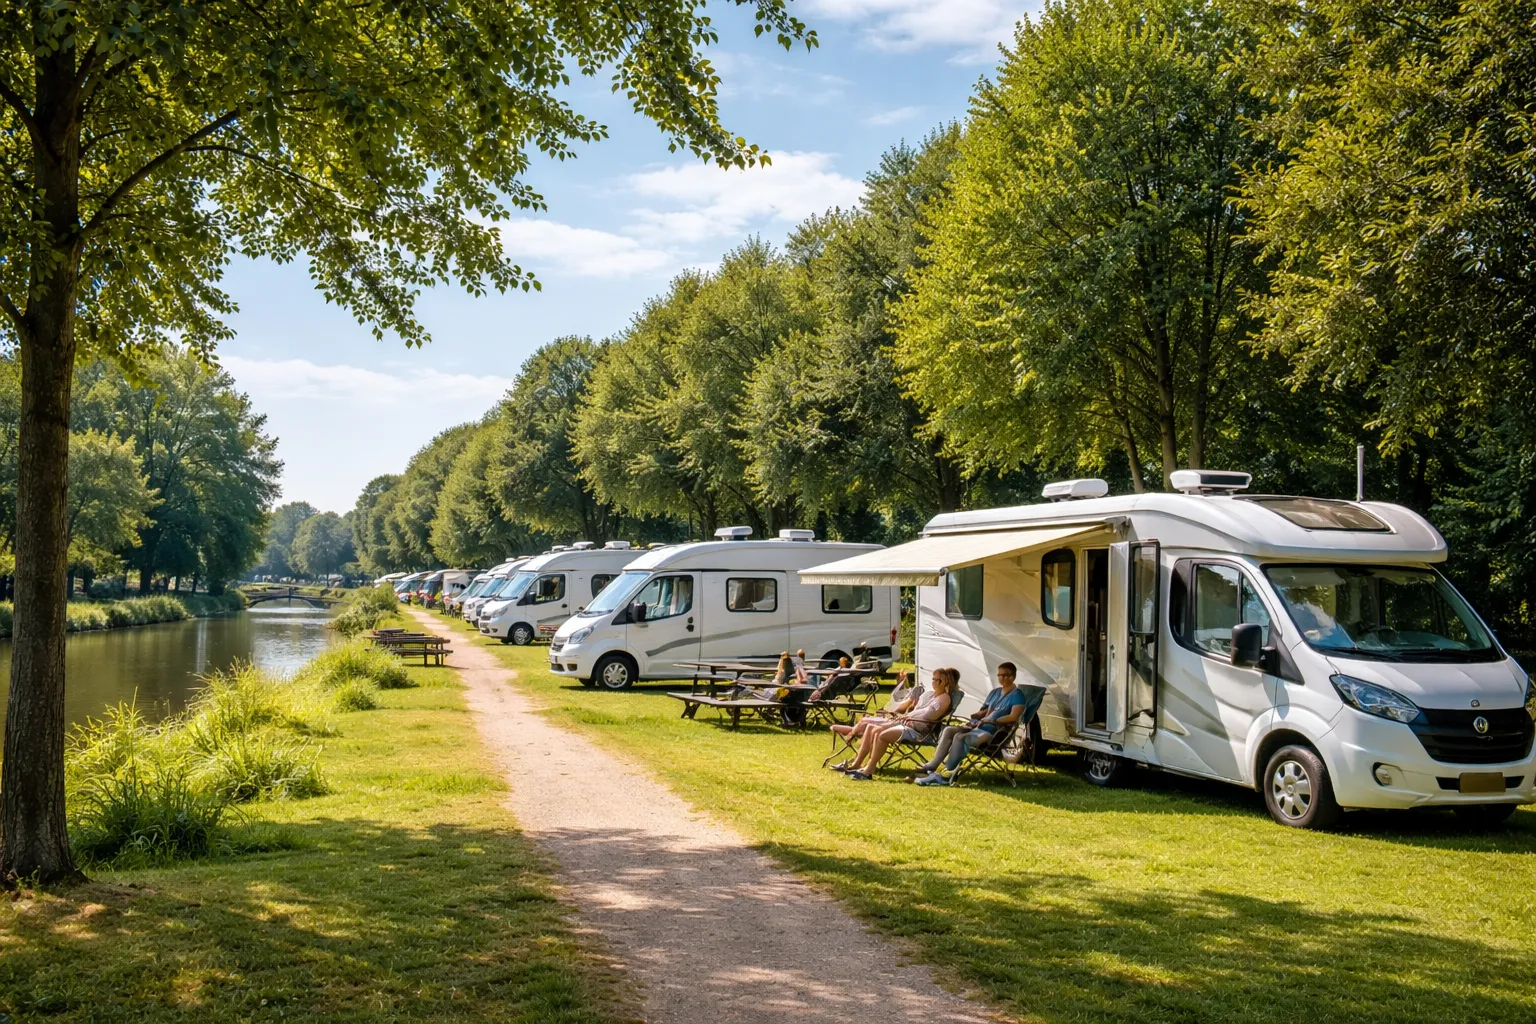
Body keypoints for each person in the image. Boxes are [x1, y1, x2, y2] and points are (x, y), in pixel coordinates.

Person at [913, 662, 1036, 786]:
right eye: (999, 675)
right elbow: (984, 710)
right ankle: (933, 766)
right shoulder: (995, 692)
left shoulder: (1018, 695)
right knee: (949, 730)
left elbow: (1013, 717)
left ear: (1013, 677)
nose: (1001, 678)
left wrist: (992, 720)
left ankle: (946, 774)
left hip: (994, 731)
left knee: (960, 737)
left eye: (1005, 675)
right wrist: (979, 715)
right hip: (978, 725)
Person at [837, 669, 956, 780]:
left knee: (882, 734)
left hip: (919, 731)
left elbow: (929, 716)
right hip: (908, 724)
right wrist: (907, 715)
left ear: (945, 682)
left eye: (937, 680)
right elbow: (917, 709)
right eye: (933, 679)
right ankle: (858, 764)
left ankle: (869, 769)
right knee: (872, 727)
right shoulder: (929, 694)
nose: (934, 682)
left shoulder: (944, 699)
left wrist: (909, 716)